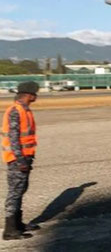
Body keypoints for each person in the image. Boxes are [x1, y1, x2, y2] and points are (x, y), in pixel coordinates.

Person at [2, 82, 40, 240]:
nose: (36, 96)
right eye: (35, 93)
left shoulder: (24, 110)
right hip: (18, 159)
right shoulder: (15, 111)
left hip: (25, 157)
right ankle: (10, 230)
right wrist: (20, 160)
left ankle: (17, 223)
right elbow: (13, 138)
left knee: (20, 190)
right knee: (15, 192)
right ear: (28, 95)